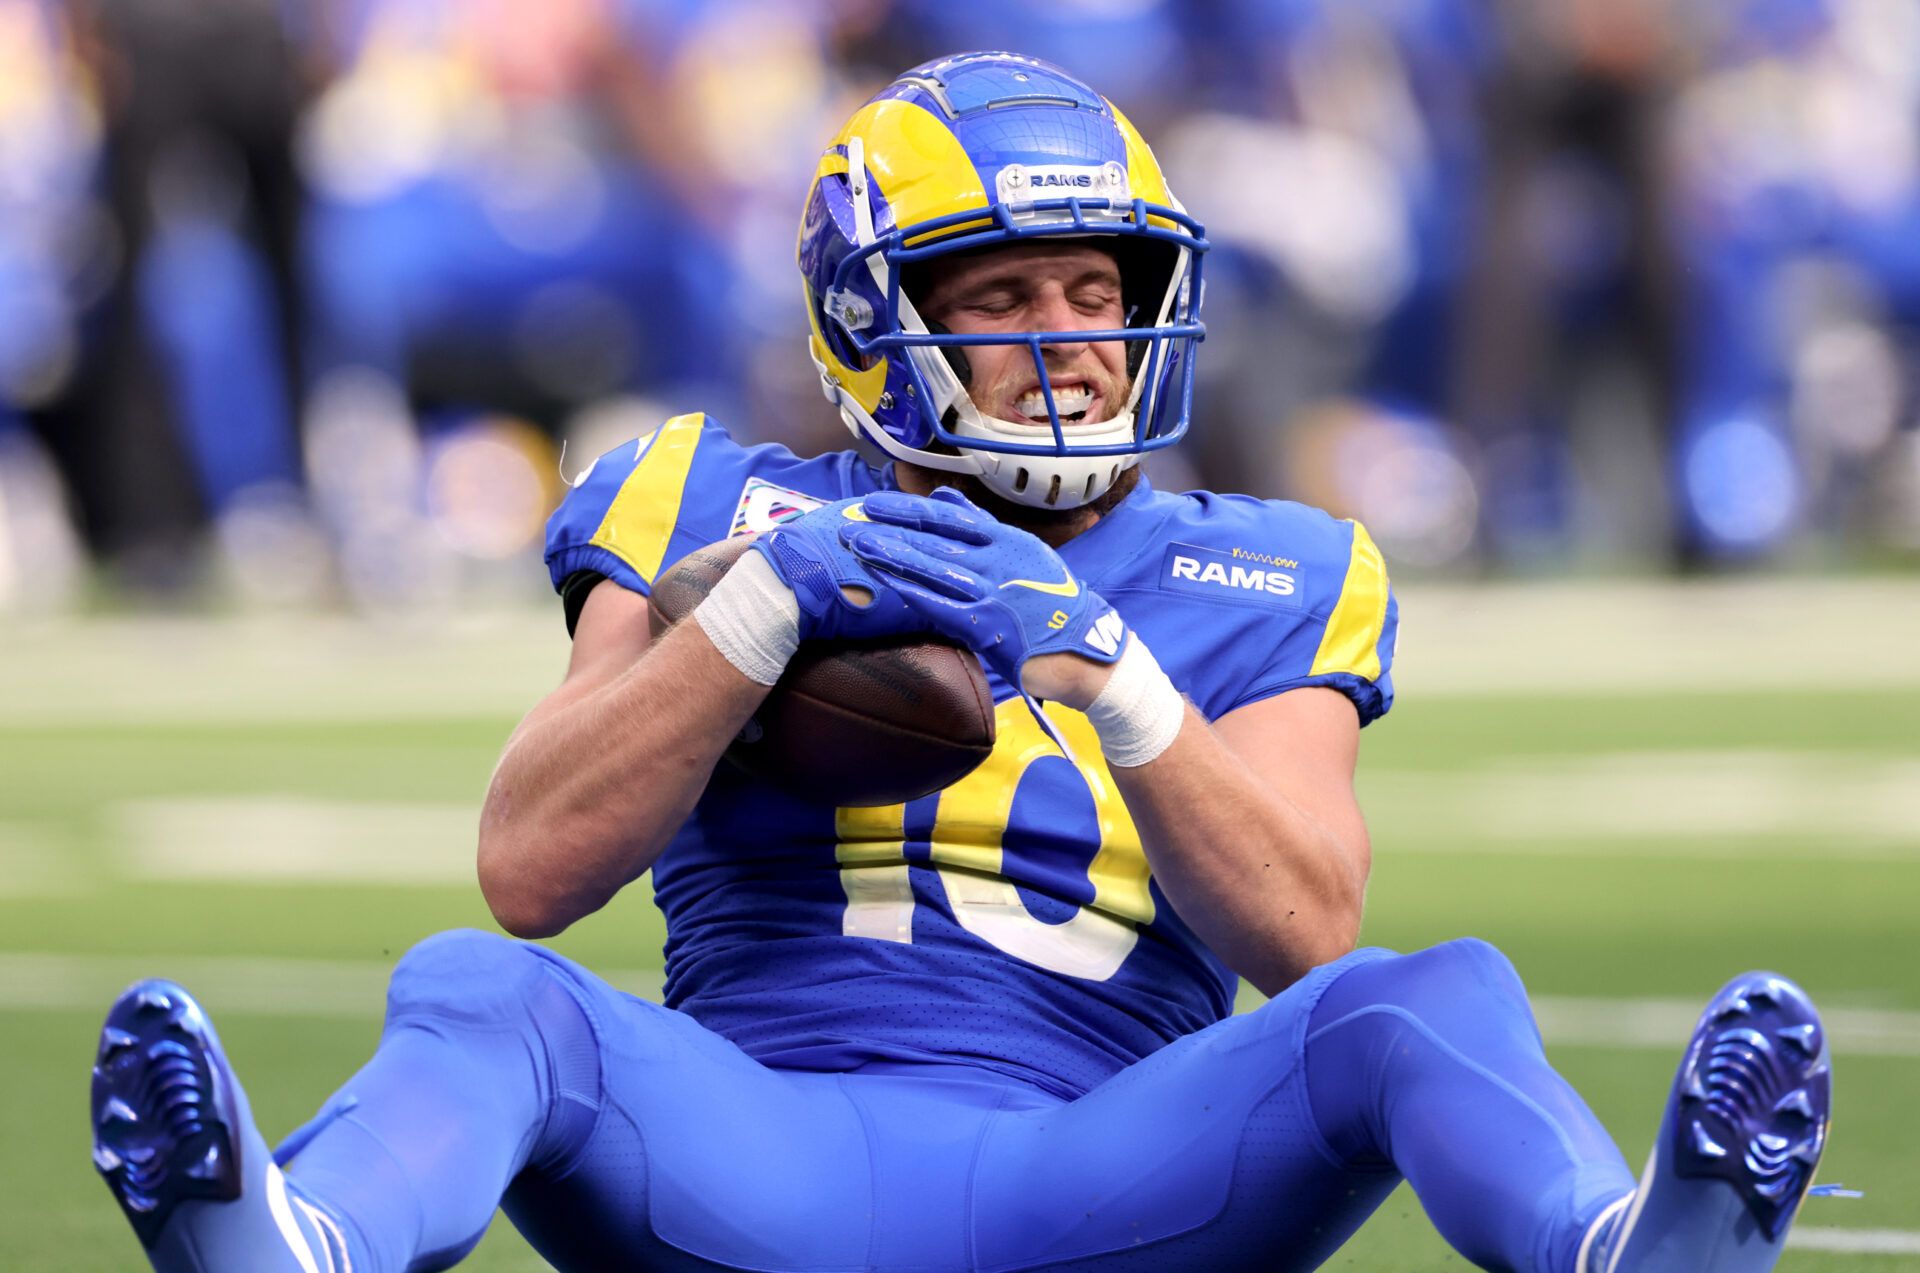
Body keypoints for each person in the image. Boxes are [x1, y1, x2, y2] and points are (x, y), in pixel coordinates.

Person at [89, 53, 1830, 1273]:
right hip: (750, 1145)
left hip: (1108, 1169)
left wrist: (1113, 671)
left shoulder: (1273, 561)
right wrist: (764, 607)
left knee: (1426, 997)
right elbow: (529, 867)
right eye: (1006, 298)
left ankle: (1624, 1248)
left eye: (1102, 288)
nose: (1074, 342)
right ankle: (291, 1243)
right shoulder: (711, 496)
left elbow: (1308, 935)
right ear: (868, 315)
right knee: (482, 989)